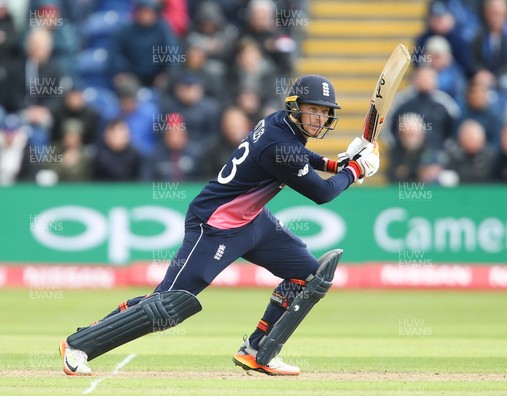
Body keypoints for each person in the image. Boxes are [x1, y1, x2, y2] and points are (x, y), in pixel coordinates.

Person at [59, 75, 380, 376]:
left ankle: (258, 350)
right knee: (168, 305)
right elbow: (322, 192)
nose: (319, 119)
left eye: (324, 112)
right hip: (215, 223)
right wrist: (354, 171)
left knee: (307, 277)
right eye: (312, 110)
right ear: (295, 108)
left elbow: (301, 156)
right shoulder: (279, 146)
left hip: (253, 220)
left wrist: (338, 162)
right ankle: (79, 344)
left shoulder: (278, 123)